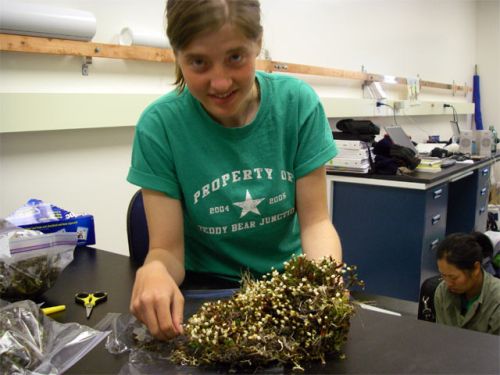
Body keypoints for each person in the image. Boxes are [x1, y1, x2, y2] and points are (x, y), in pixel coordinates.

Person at [126, 0, 342, 340]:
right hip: (206, 293)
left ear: (257, 43)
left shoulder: (297, 104)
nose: (221, 82)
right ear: (177, 55)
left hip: (287, 284)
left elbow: (316, 222)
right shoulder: (159, 126)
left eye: (236, 57)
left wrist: (320, 284)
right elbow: (167, 250)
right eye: (198, 62)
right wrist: (154, 269)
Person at [434, 232, 500, 335]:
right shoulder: (442, 292)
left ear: (476, 269)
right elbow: (442, 337)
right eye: (443, 275)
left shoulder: (496, 300)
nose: (448, 284)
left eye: (453, 277)